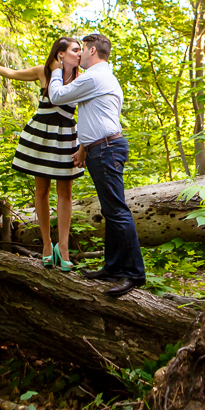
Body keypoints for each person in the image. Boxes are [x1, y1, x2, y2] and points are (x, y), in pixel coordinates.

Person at [0, 37, 83, 273]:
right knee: (41, 191)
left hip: (66, 138)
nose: (80, 53)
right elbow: (11, 73)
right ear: (61, 54)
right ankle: (46, 244)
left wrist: (83, 145)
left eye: (82, 50)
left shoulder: (82, 79)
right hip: (41, 136)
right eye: (75, 50)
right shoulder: (43, 73)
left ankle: (63, 248)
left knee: (66, 193)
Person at [47, 33, 146, 297]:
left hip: (106, 148)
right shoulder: (105, 77)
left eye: (83, 50)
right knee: (111, 209)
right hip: (102, 147)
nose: (79, 55)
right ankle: (113, 267)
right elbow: (95, 115)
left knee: (117, 211)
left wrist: (56, 70)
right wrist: (83, 148)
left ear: (92, 51)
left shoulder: (94, 76)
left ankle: (134, 274)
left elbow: (57, 96)